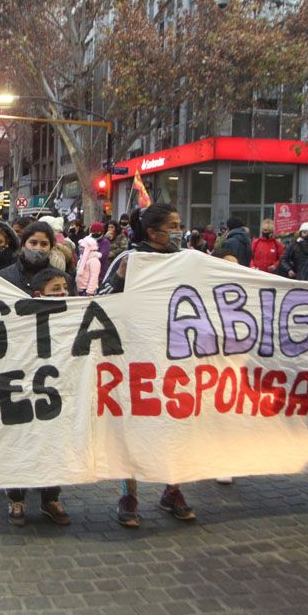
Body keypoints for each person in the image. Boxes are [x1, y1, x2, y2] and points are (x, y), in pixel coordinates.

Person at [98, 204, 196, 526]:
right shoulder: (128, 261)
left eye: (180, 224)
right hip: (136, 357)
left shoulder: (187, 260)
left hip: (176, 356)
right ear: (153, 232)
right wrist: (123, 281)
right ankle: (129, 494)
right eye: (173, 225)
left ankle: (172, 488)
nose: (179, 230)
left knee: (175, 424)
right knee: (134, 425)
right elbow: (102, 299)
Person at [5, 267, 72, 526]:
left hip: (55, 396)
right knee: (20, 444)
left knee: (54, 445)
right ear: (37, 294)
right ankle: (16, 498)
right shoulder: (19, 321)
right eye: (55, 290)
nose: (62, 293)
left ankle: (51, 499)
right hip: (22, 395)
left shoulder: (71, 319)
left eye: (64, 289)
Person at [0, 221, 56, 295]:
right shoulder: (3, 277)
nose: (38, 248)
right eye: (33, 243)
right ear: (23, 245)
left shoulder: (61, 279)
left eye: (44, 244)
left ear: (51, 247)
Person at [75, 228, 103, 296]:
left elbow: (94, 277)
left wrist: (90, 291)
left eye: (83, 247)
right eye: (80, 247)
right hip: (81, 289)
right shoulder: (81, 259)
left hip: (88, 291)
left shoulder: (94, 260)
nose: (80, 249)